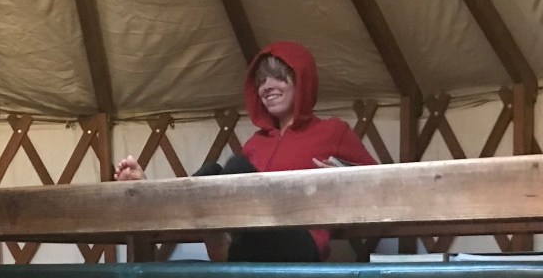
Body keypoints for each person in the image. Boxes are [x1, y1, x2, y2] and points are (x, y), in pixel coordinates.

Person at [115, 41, 377, 261]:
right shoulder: (255, 143)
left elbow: (379, 180)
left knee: (236, 170)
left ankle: (220, 239)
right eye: (261, 81)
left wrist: (342, 175)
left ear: (302, 81)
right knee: (212, 172)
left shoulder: (332, 131)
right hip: (250, 242)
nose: (267, 87)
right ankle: (151, 191)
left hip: (300, 241)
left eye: (278, 77)